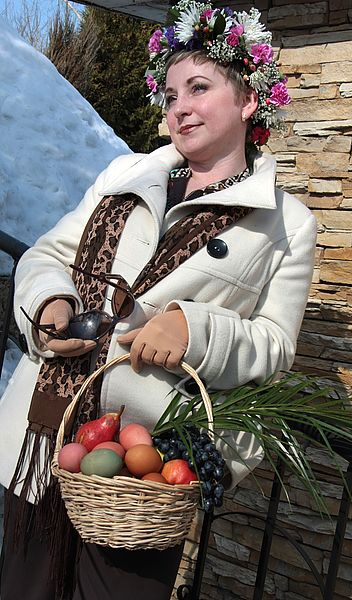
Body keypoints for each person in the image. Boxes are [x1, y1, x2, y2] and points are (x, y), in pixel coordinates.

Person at [0, 2, 317, 599]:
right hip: (43, 432)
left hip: (146, 461)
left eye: (199, 88)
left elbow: (275, 344)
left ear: (248, 101)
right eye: (171, 95)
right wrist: (49, 308)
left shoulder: (286, 224)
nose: (181, 108)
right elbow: (46, 254)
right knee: (23, 588)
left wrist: (193, 330)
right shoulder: (123, 174)